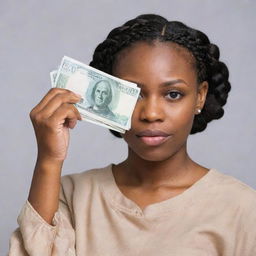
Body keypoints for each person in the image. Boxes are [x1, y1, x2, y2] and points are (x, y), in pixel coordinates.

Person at [9, 14, 256, 256]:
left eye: (173, 94)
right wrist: (49, 159)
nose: (150, 114)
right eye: (135, 93)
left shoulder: (242, 208)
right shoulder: (71, 195)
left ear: (200, 96)